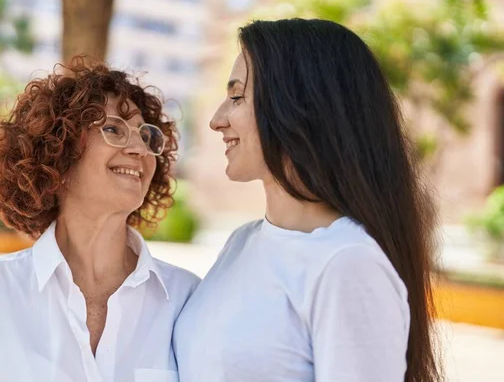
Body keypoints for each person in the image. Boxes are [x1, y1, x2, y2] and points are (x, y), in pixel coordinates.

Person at [173, 19, 442, 382]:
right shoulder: (243, 242)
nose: (217, 120)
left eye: (237, 96)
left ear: (299, 106)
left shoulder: (346, 264)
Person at [0, 57, 199, 382]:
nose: (139, 148)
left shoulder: (186, 300)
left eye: (147, 136)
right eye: (113, 129)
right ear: (58, 153)